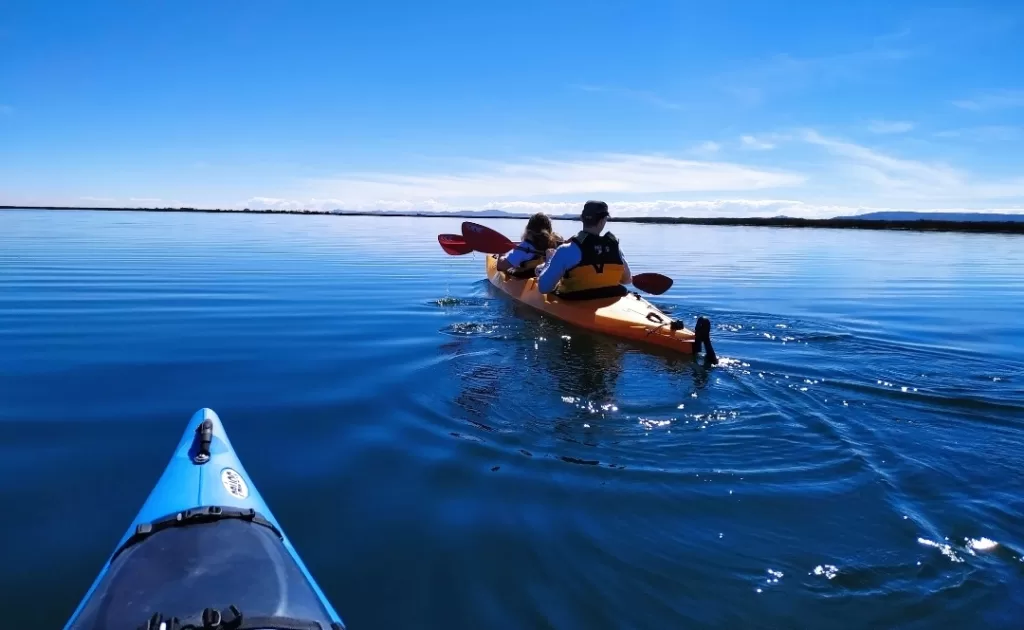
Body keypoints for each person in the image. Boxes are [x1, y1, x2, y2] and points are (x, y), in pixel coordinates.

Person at [535, 200, 632, 300]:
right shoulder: (615, 248)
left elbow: (543, 288)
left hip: (576, 302)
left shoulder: (565, 250)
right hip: (611, 300)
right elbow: (627, 280)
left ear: (582, 218)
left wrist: (549, 260)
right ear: (603, 220)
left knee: (541, 272)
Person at [496, 212, 563, 278]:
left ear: (528, 228)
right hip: (544, 278)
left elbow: (500, 266)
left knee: (509, 267)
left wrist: (501, 253)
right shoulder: (555, 244)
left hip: (526, 279)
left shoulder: (525, 247)